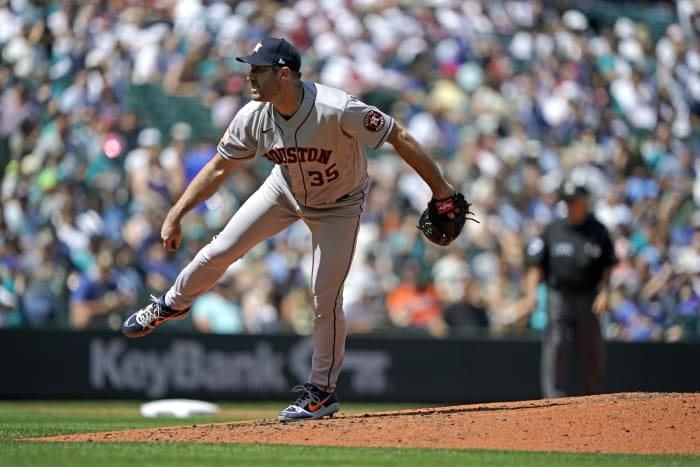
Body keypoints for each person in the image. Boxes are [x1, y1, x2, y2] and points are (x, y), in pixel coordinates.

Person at [120, 37, 460, 421]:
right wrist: (176, 212)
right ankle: (171, 304)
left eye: (258, 69)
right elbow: (218, 167)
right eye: (249, 68)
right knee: (221, 249)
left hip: (339, 206)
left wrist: (441, 189)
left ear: (284, 75)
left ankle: (321, 392)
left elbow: (397, 136)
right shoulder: (253, 115)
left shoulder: (338, 108)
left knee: (325, 297)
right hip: (283, 190)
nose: (249, 75)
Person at [518, 181, 618, 398]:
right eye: (568, 201)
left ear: (584, 202)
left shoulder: (598, 231)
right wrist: (531, 294)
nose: (571, 205)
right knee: (556, 343)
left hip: (588, 296)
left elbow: (608, 266)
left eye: (575, 201)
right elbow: (536, 263)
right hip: (558, 295)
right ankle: (553, 396)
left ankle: (593, 393)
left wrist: (605, 292)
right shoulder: (553, 230)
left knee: (591, 346)